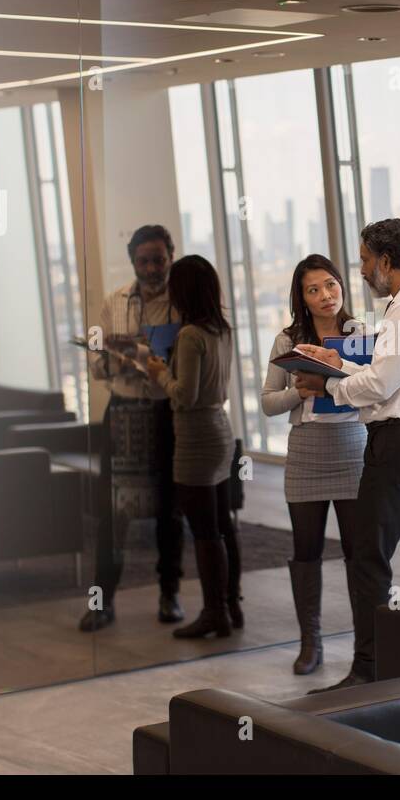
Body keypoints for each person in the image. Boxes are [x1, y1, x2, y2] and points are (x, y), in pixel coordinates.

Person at [294, 219, 400, 690]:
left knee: (367, 556)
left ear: (385, 261)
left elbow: (383, 384)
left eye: (364, 260)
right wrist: (336, 364)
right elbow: (389, 372)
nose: (361, 270)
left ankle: (369, 670)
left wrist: (327, 384)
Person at [261, 254, 366, 675]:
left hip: (353, 450)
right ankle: (311, 642)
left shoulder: (361, 334)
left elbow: (377, 390)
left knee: (359, 555)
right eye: (313, 289)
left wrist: (335, 379)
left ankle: (366, 646)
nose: (325, 295)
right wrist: (300, 394)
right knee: (306, 551)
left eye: (331, 284)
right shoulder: (288, 340)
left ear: (342, 285)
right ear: (302, 299)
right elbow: (268, 401)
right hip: (306, 453)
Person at [80, 224, 185, 633]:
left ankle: (169, 594)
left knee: (169, 508)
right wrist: (116, 357)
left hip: (164, 411)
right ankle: (101, 602)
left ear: (171, 255)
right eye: (143, 261)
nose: (152, 267)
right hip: (122, 411)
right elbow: (96, 365)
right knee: (111, 512)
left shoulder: (183, 303)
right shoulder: (115, 302)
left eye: (159, 258)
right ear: (133, 262)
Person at [147, 255, 242, 639]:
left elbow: (184, 395)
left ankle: (213, 612)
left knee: (204, 532)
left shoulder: (189, 335)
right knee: (223, 525)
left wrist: (159, 374)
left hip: (196, 436)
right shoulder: (222, 330)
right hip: (221, 428)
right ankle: (231, 604)